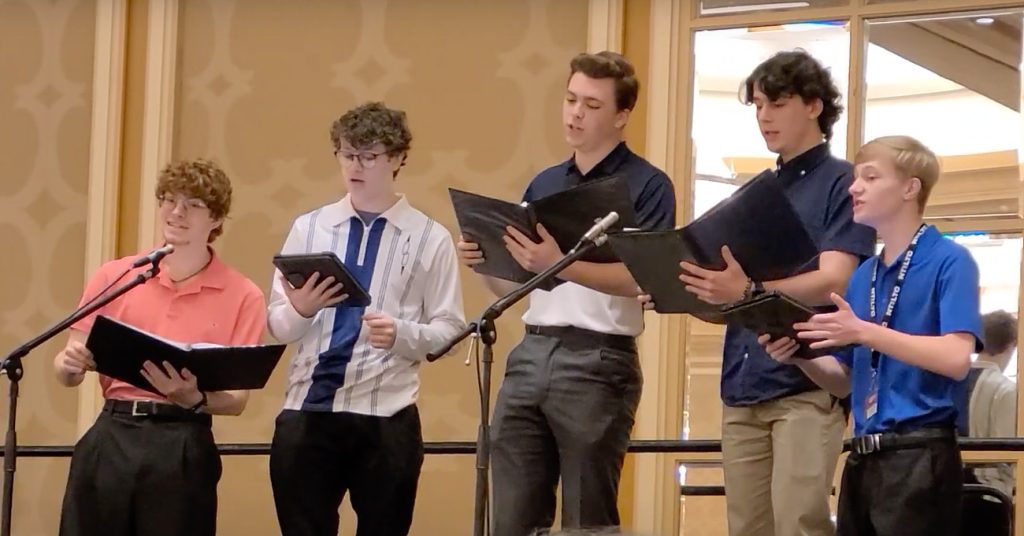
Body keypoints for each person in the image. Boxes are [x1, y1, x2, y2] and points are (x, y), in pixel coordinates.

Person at [642, 50, 876, 536]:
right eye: (757, 106)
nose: (764, 116)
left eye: (777, 103)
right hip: (744, 380)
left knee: (800, 523)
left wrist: (748, 288)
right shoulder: (759, 190)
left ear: (814, 106)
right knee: (745, 526)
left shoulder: (841, 182)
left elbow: (836, 276)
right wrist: (680, 287)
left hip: (807, 378)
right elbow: (727, 281)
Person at [457, 51, 675, 536]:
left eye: (592, 105)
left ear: (621, 116)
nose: (575, 113)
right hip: (532, 347)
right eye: (571, 99)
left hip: (598, 357)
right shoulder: (546, 181)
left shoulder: (648, 185)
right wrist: (483, 263)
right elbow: (525, 281)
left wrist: (562, 263)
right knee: (511, 516)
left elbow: (647, 278)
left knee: (586, 521)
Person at [761, 135, 982, 536]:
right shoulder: (865, 276)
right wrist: (800, 356)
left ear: (910, 188)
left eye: (870, 177)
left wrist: (865, 332)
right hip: (863, 454)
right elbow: (845, 381)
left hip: (920, 453)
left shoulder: (950, 260)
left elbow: (955, 358)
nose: (853, 187)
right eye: (855, 177)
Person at [266, 101, 465, 536]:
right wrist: (301, 308)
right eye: (347, 153)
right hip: (307, 412)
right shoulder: (309, 228)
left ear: (396, 159)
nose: (355, 166)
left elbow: (451, 331)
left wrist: (402, 333)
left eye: (369, 156)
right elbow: (278, 326)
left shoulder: (430, 237)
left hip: (386, 415)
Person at [54, 158, 268, 536]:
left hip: (183, 438)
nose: (176, 211)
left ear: (216, 219)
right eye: (168, 199)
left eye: (193, 204)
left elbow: (236, 399)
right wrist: (70, 364)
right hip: (113, 430)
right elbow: (66, 369)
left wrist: (194, 398)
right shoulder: (118, 276)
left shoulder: (243, 294)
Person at [963, 310, 1017, 496]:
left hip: (949, 488)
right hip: (991, 494)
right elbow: (1009, 453)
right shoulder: (1007, 390)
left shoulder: (951, 382)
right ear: (1010, 346)